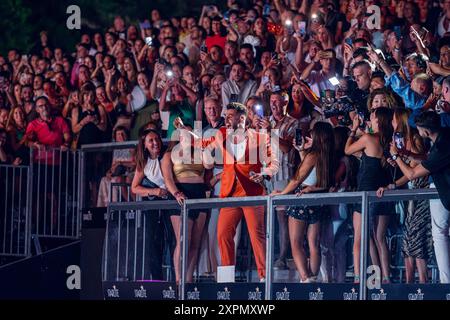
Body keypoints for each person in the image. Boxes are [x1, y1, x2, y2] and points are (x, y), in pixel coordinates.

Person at [204, 102, 279, 282]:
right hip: (230, 193)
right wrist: (206, 152)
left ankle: (264, 277)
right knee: (223, 235)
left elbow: (273, 163)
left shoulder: (260, 138)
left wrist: (264, 175)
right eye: (226, 116)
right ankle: (226, 279)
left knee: (257, 235)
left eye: (231, 116)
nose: (227, 119)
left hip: (252, 192)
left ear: (242, 118)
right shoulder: (221, 134)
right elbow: (205, 153)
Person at [389, 111, 450, 283]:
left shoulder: (441, 147)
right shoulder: (444, 137)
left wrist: (395, 156)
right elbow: (426, 158)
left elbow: (411, 174)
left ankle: (446, 284)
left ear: (425, 131)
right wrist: (406, 155)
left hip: (445, 195)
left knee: (439, 235)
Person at [272, 122, 335, 283]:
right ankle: (312, 278)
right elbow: (313, 174)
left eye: (312, 133)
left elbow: (298, 179)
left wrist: (281, 194)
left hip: (302, 200)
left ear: (318, 136)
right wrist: (302, 151)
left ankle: (306, 278)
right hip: (318, 201)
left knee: (296, 242)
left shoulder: (313, 155)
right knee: (314, 244)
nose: (309, 136)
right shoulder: (327, 155)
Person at [377, 108, 432, 283]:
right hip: (411, 197)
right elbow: (406, 172)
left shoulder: (415, 139)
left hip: (422, 195)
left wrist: (400, 157)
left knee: (417, 240)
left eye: (393, 120)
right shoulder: (401, 142)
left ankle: (422, 284)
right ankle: (409, 283)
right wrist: (396, 163)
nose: (392, 123)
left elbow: (415, 169)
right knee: (408, 242)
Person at [345, 107, 394, 284]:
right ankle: (385, 278)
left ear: (377, 121)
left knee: (360, 237)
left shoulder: (368, 138)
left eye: (372, 118)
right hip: (384, 193)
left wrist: (353, 129)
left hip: (366, 194)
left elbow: (347, 150)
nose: (369, 121)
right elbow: (366, 157)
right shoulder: (390, 140)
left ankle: (358, 278)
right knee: (380, 238)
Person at [161, 125, 208, 283]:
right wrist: (176, 193)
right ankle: (178, 280)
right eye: (184, 134)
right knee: (183, 240)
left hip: (199, 194)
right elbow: (167, 179)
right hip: (181, 194)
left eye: (190, 133)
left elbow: (209, 165)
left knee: (195, 242)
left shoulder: (200, 152)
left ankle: (187, 282)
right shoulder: (169, 155)